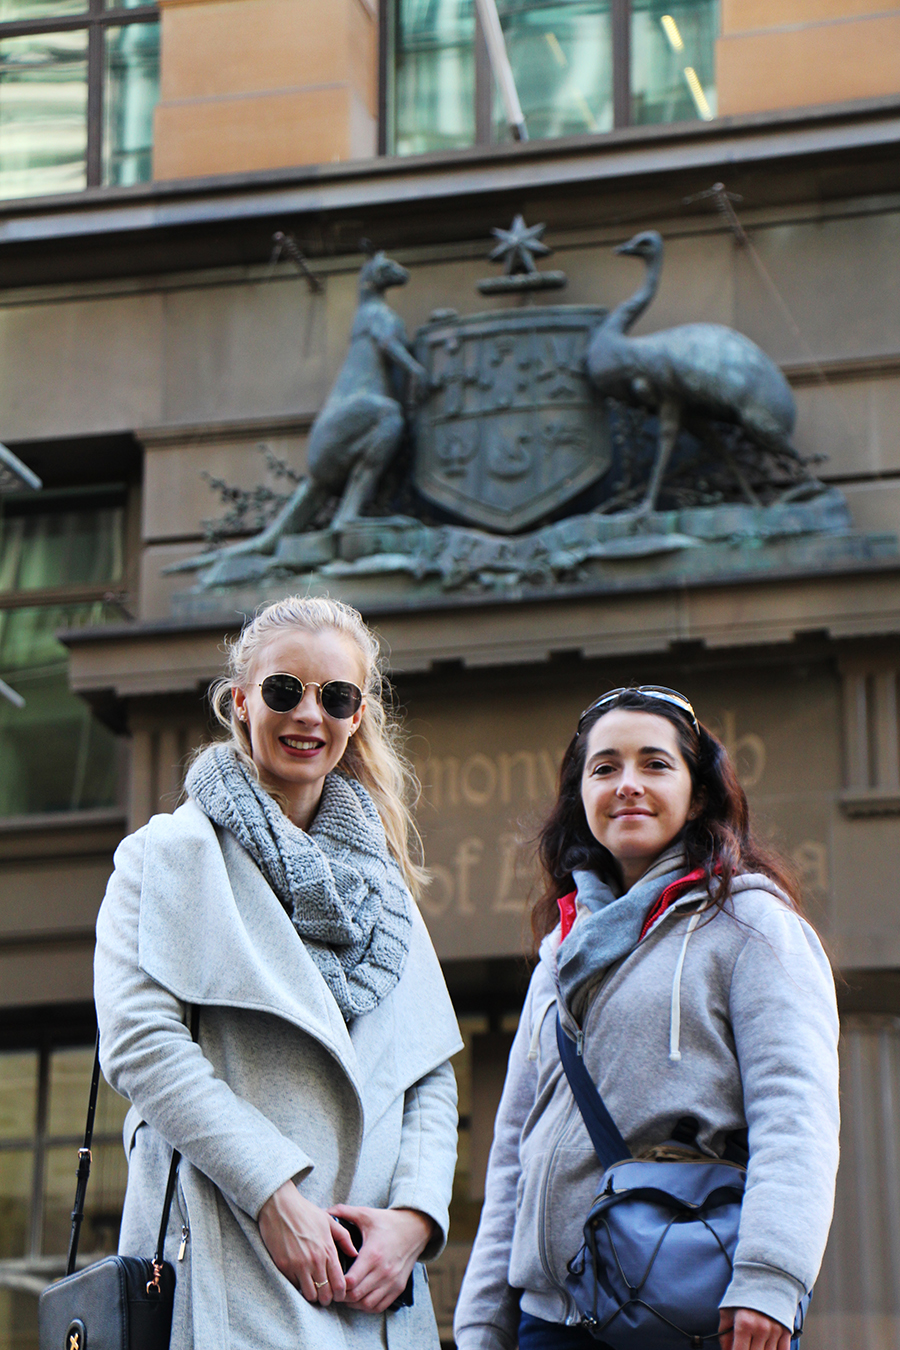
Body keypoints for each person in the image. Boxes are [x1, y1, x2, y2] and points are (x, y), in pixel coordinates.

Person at [94, 595, 462, 1350]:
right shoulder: (166, 856)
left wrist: (413, 1221)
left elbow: (427, 1072)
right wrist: (271, 1193)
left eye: (336, 697)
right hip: (228, 1248)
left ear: (358, 716)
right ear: (240, 701)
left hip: (370, 1283)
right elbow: (140, 1044)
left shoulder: (384, 889)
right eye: (284, 690)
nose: (309, 715)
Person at [454, 685, 839, 1350]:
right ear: (582, 797)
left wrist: (770, 1279)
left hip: (688, 1309)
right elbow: (516, 1148)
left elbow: (795, 1115)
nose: (627, 783)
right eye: (605, 768)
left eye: (655, 764)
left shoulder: (753, 926)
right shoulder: (560, 953)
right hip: (551, 1321)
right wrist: (484, 1321)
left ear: (699, 793)